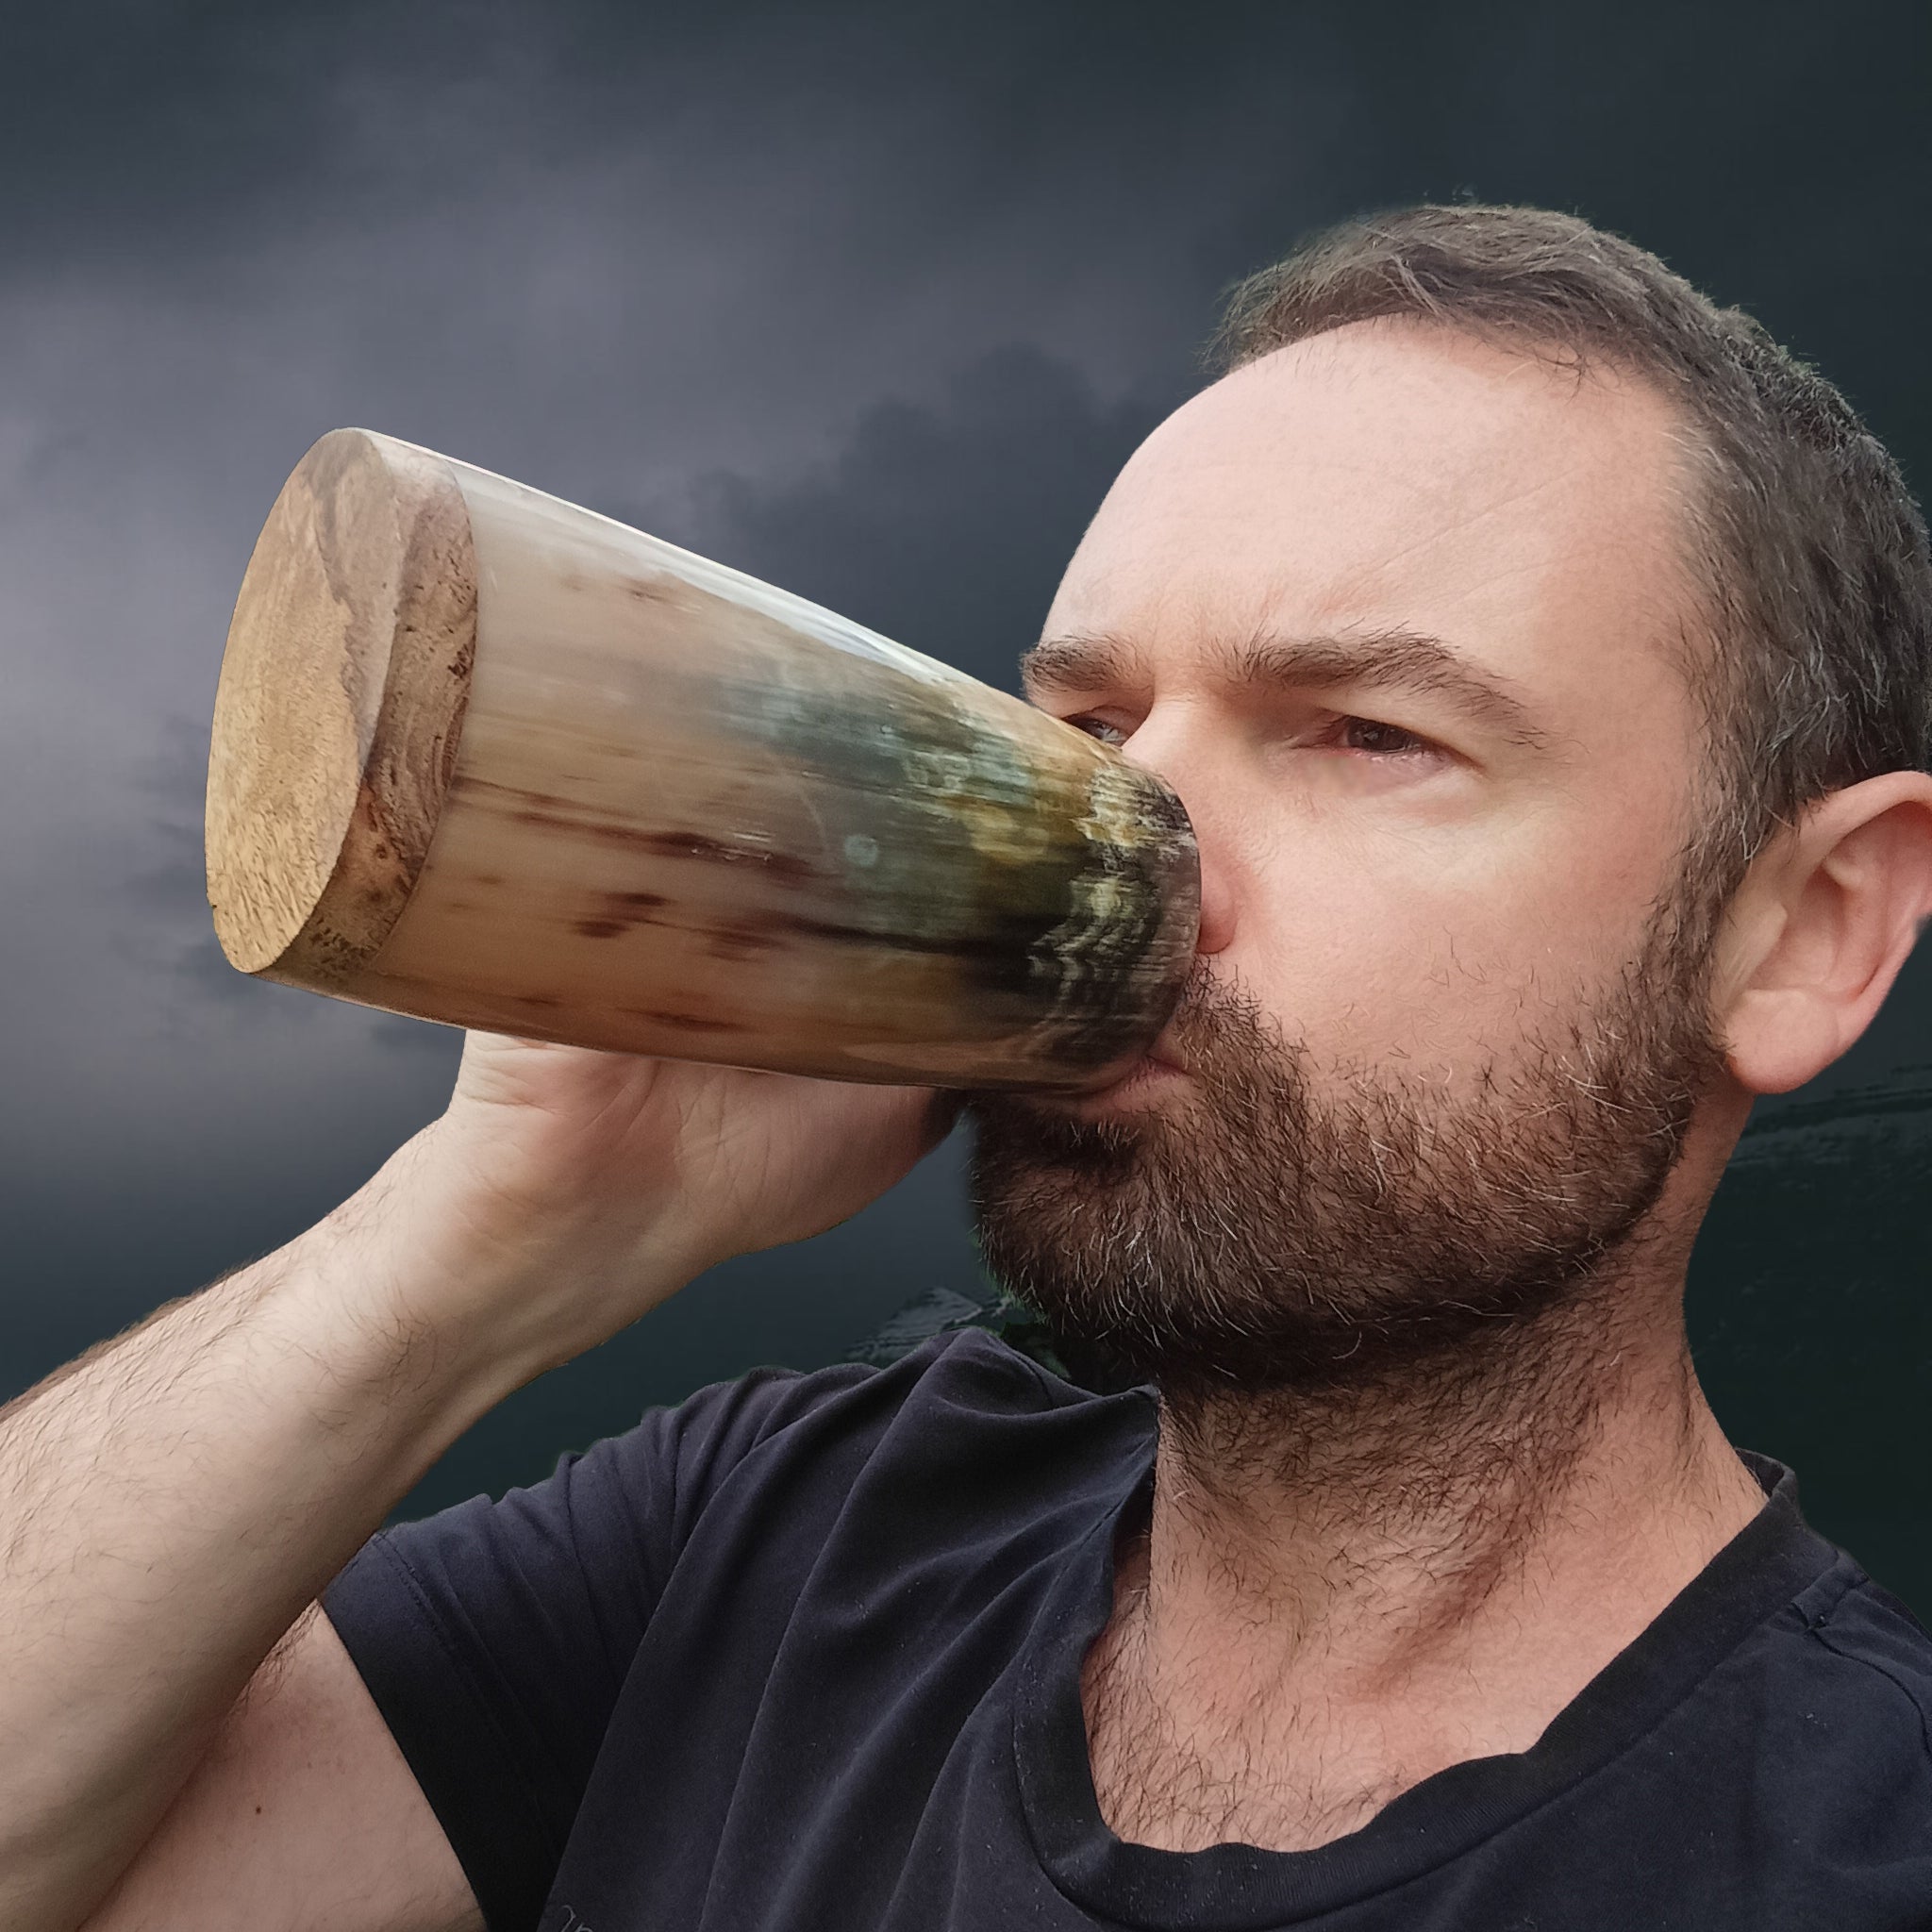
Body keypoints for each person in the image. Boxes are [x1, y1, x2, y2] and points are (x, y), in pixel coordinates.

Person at [7, 204, 1932, 1932]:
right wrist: (499, 1225)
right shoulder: (773, 1537)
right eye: (1089, 726)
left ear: (1808, 928)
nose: (1127, 866)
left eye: (1362, 732)